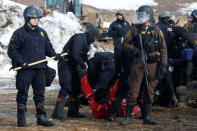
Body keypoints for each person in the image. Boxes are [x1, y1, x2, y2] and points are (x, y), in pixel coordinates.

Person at [7, 6, 60, 127]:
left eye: (37, 18)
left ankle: (41, 117)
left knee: (40, 94)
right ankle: (21, 118)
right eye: (33, 18)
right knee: (22, 94)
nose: (36, 20)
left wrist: (54, 55)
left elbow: (48, 47)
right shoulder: (19, 33)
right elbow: (12, 51)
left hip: (40, 68)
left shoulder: (42, 32)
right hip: (26, 69)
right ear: (27, 18)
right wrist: (21, 61)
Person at [120, 5, 167, 125]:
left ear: (149, 16)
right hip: (138, 62)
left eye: (143, 16)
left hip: (152, 63)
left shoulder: (156, 30)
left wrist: (163, 64)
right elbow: (125, 43)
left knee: (150, 89)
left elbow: (163, 49)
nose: (140, 18)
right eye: (139, 16)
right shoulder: (134, 29)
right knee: (133, 89)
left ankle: (147, 117)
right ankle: (128, 117)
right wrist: (134, 49)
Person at [51, 23, 100, 121]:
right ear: (91, 35)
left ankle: (73, 112)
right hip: (66, 64)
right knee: (66, 88)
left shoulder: (87, 42)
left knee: (76, 88)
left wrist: (88, 63)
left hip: (74, 66)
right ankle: (56, 113)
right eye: (94, 38)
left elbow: (83, 56)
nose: (94, 40)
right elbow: (75, 54)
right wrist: (83, 65)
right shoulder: (79, 38)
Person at [106, 10, 131, 121]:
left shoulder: (127, 24)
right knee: (117, 60)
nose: (119, 16)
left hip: (126, 45)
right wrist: (117, 33)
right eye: (117, 15)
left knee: (126, 61)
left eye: (120, 15)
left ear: (122, 15)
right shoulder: (113, 24)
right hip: (118, 45)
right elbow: (109, 33)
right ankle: (118, 71)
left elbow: (130, 32)